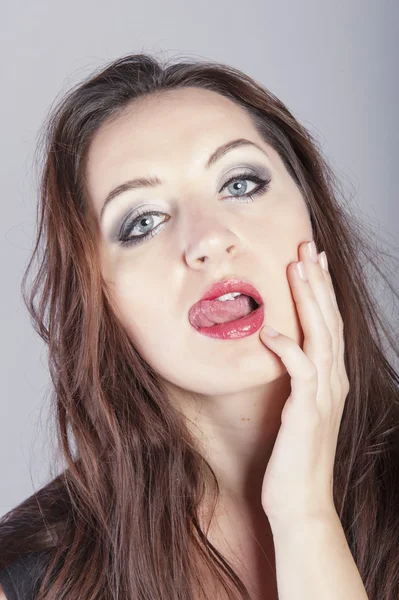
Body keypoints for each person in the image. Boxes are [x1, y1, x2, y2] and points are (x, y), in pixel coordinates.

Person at [0, 52, 398, 600]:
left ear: (313, 215)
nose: (208, 239)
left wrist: (304, 514)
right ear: (99, 300)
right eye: (142, 222)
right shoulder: (27, 577)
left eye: (239, 183)